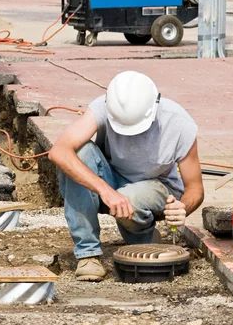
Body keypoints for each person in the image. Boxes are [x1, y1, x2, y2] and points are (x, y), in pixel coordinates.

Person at [48, 71, 204, 282]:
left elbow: (195, 188)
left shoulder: (178, 124)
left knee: (131, 198)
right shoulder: (103, 107)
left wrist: (183, 207)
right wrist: (105, 190)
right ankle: (88, 254)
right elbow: (59, 151)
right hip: (111, 182)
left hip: (155, 187)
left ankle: (144, 240)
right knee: (77, 154)